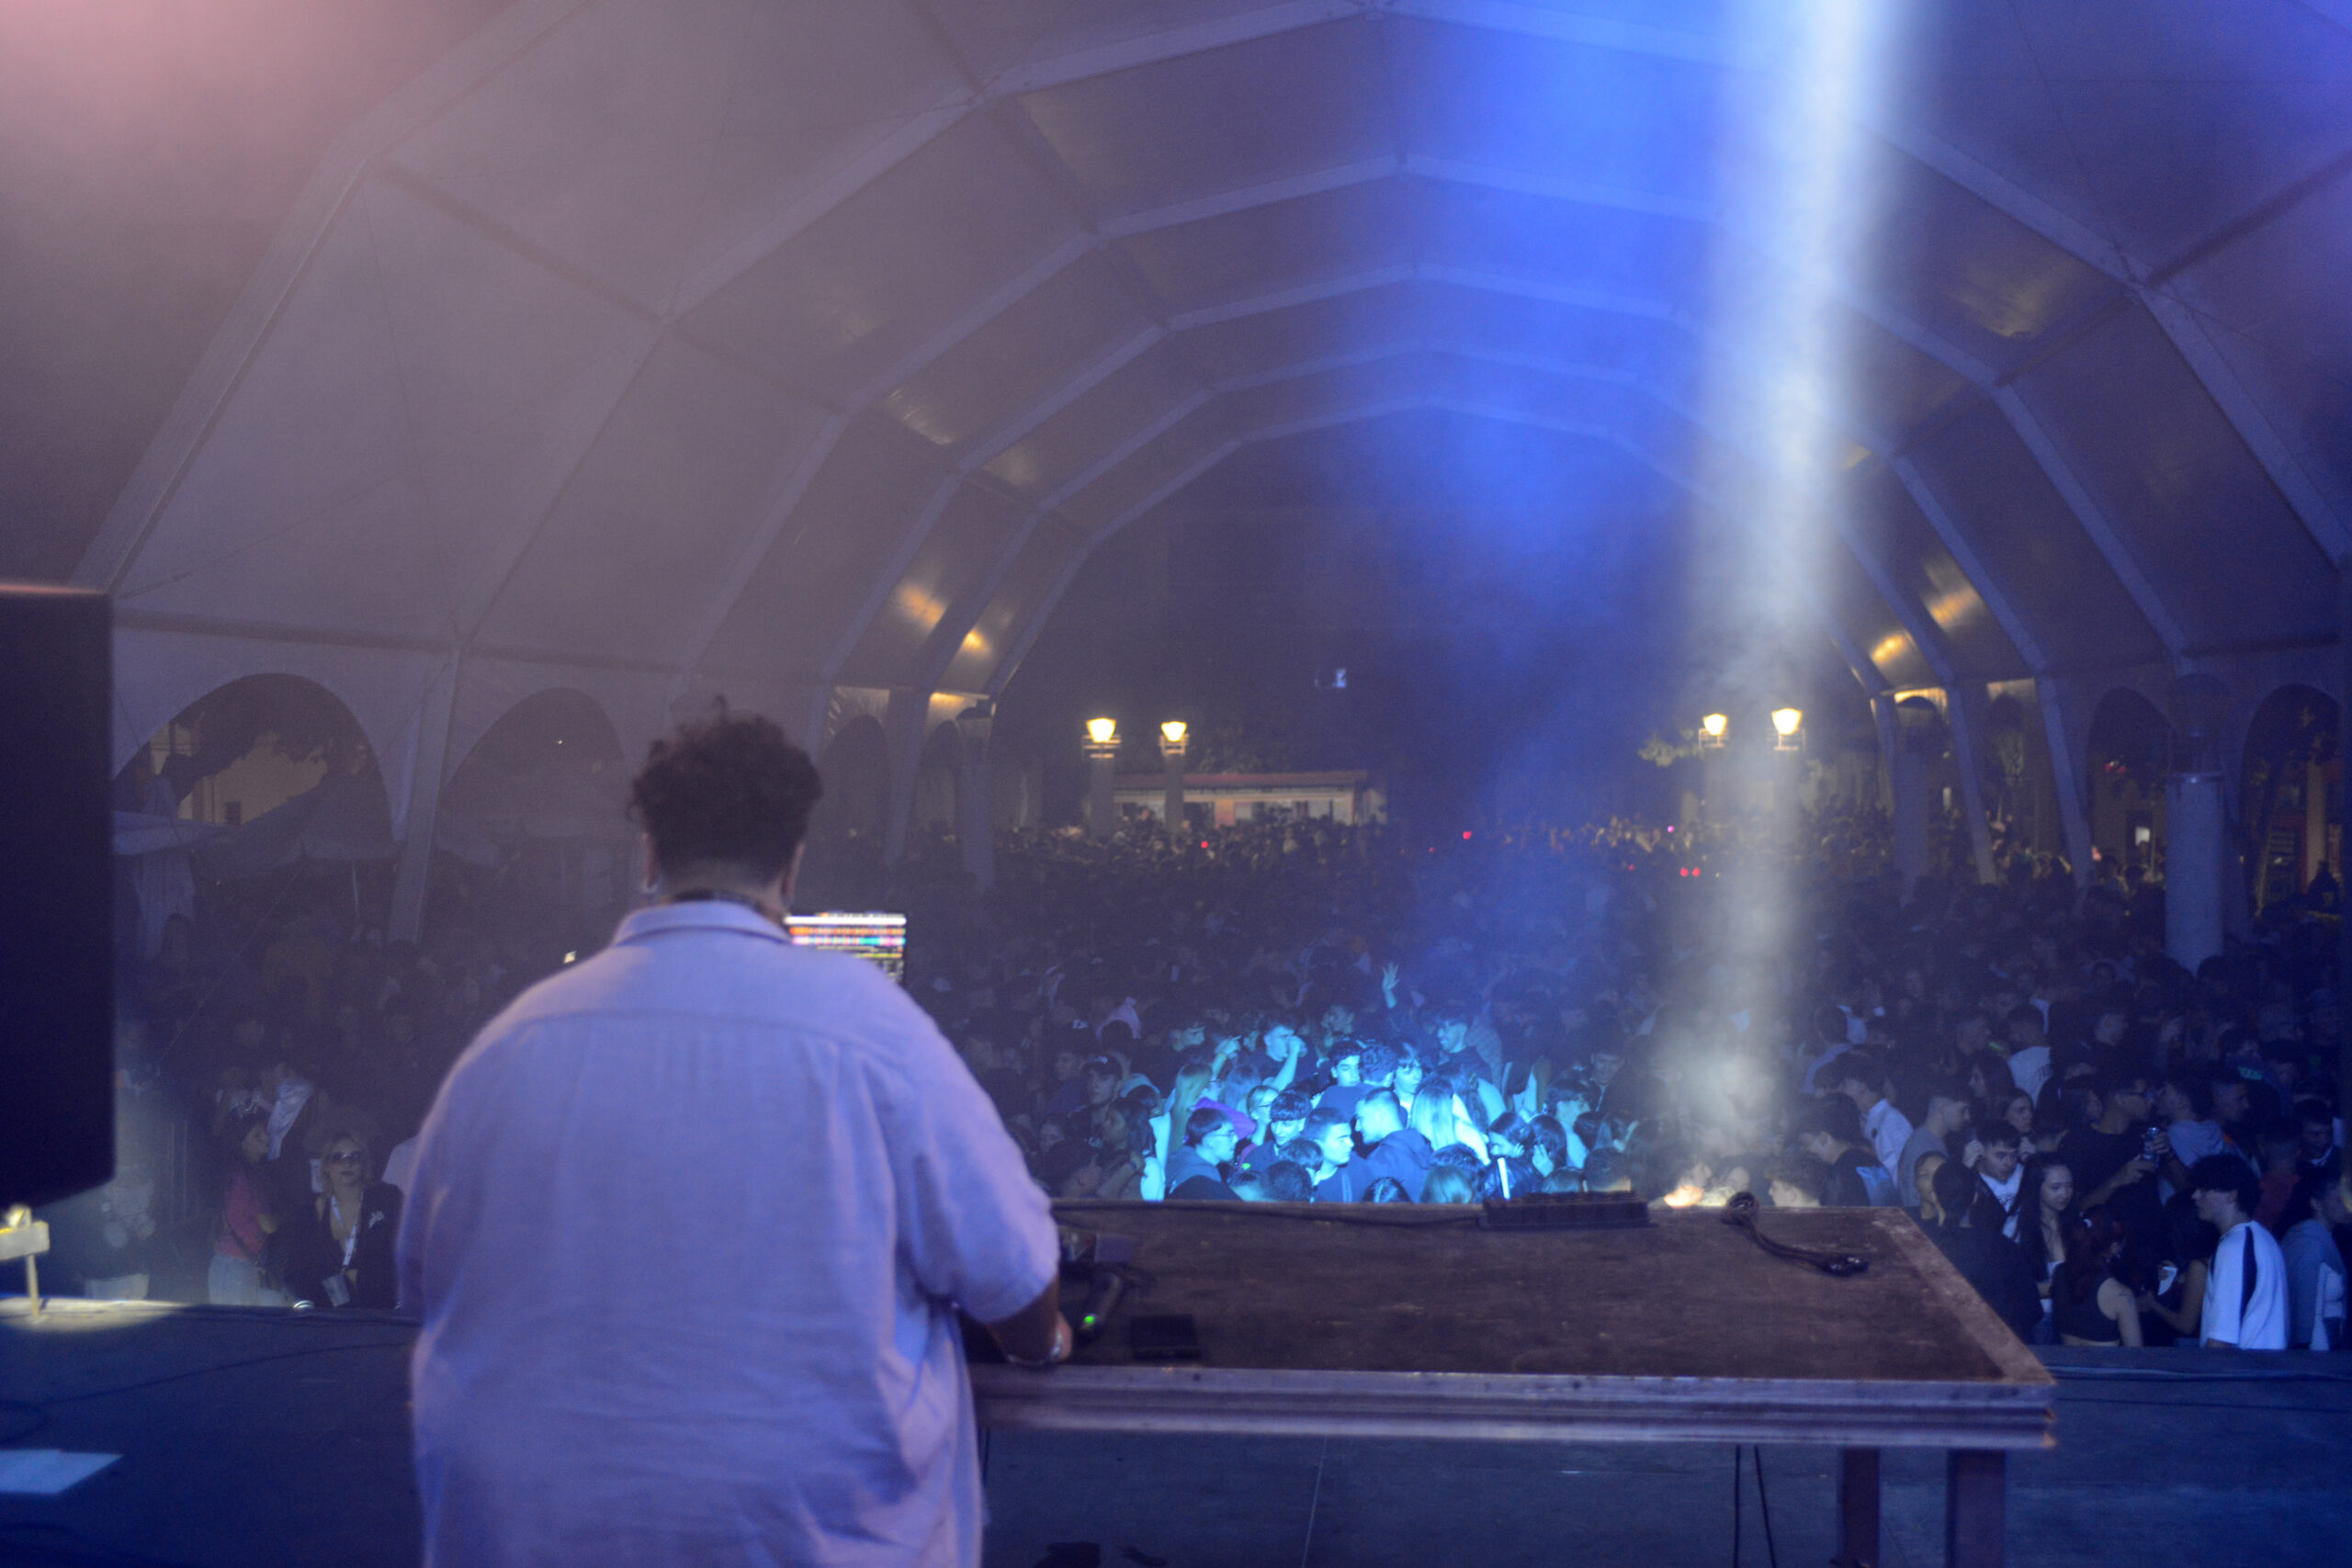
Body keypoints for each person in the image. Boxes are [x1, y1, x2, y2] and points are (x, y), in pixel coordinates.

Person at [398, 713, 1064, 1568]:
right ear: (791, 866)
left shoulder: (513, 1042)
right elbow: (1015, 1281)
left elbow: (424, 1279)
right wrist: (1047, 1342)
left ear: (649, 856)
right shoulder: (868, 1028)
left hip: (531, 1535)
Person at [283, 1130, 402, 1309]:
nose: (347, 1163)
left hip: (382, 1311)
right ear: (326, 1166)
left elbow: (405, 1255)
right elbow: (297, 1270)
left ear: (364, 1163)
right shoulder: (309, 1214)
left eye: (354, 1156)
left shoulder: (387, 1200)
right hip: (329, 1316)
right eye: (337, 1157)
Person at [1926, 1160, 2041, 1342]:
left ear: (1934, 1196)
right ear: (1975, 1197)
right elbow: (2031, 1312)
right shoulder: (2004, 1248)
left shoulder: (1920, 1248)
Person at [2188, 1154, 2288, 1350]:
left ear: (2232, 1195)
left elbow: (2221, 1340)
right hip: (2264, 1366)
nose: (2195, 1196)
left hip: (2243, 1368)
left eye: (2204, 1189)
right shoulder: (2262, 1238)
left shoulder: (2235, 1247)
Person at [209, 1108, 286, 1306]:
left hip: (230, 1263)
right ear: (242, 1143)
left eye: (264, 1132)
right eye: (257, 1135)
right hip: (237, 1268)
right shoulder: (249, 1177)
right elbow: (268, 1225)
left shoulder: (237, 1172)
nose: (266, 1138)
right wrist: (284, 1216)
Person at [2051, 1211, 2142, 1347]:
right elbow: (2135, 1354)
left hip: (2065, 1359)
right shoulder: (2121, 1295)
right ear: (2113, 1247)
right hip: (2106, 1361)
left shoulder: (2059, 1273)